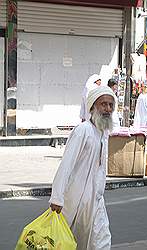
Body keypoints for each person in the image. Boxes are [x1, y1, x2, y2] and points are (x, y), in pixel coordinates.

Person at [49, 86, 116, 250]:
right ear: (92, 107)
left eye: (110, 105)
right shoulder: (83, 130)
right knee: (70, 242)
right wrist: (57, 197)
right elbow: (66, 164)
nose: (107, 109)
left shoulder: (103, 133)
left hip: (96, 200)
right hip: (76, 200)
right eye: (103, 104)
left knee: (101, 241)